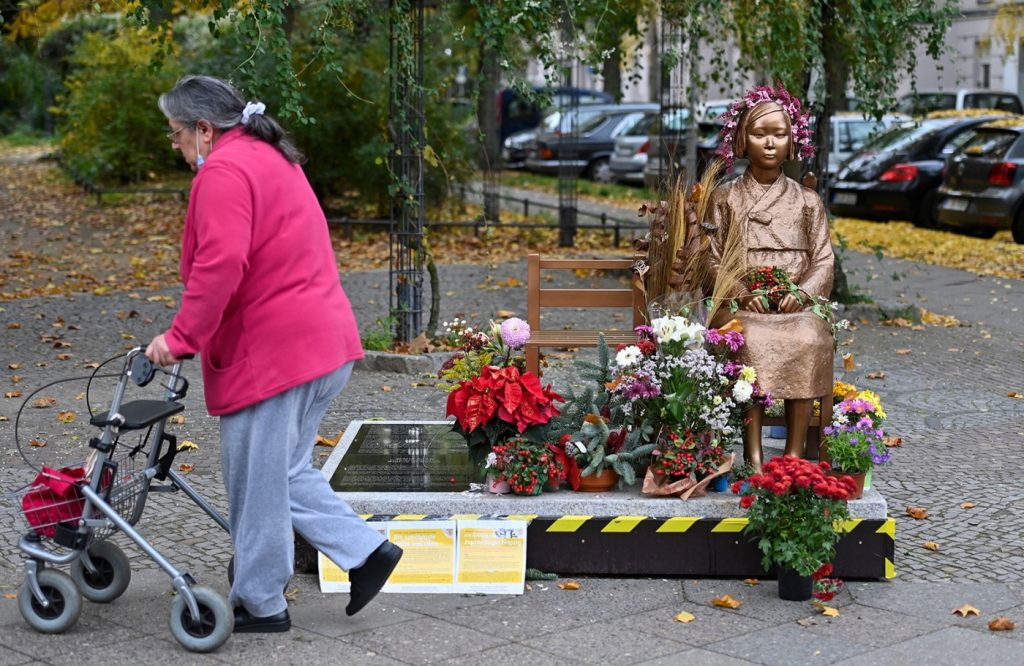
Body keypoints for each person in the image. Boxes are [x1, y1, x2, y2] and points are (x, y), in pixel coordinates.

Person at [146, 75, 402, 633]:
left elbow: (220, 266)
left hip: (275, 354)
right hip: (321, 343)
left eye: (176, 133)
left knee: (257, 482)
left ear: (205, 129)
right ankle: (366, 553)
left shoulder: (224, 171)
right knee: (284, 471)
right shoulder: (268, 156)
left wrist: (179, 338)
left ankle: (261, 602)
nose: (174, 144)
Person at [699, 84, 834, 472]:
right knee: (750, 339)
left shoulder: (808, 201)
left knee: (808, 337)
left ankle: (792, 455)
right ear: (743, 139)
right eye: (760, 134)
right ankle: (753, 454)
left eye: (779, 135)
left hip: (794, 305)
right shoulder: (725, 198)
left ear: (792, 142)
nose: (770, 144)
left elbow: (823, 259)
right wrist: (739, 292)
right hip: (743, 305)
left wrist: (804, 293)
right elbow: (709, 259)